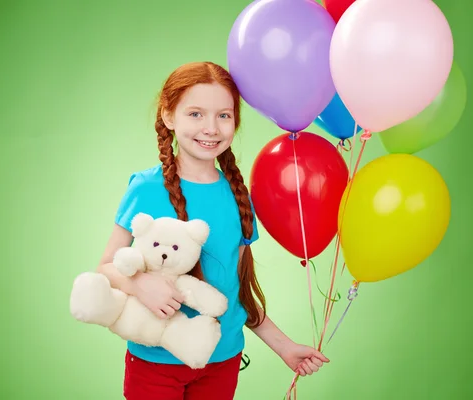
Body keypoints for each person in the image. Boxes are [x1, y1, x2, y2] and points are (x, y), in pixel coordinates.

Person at [95, 61, 329, 400]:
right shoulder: (145, 188)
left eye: (224, 115)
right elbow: (105, 267)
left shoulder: (238, 195)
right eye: (195, 114)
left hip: (223, 360)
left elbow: (238, 291)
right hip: (155, 363)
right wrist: (139, 283)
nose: (211, 127)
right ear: (168, 116)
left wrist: (285, 348)